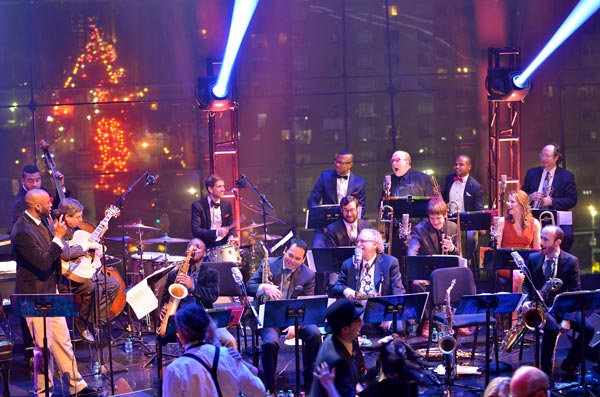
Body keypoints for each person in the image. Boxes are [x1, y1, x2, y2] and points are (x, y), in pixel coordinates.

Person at [11, 189, 101, 396]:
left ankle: (77, 386)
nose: (52, 204)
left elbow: (60, 250)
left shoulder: (42, 220)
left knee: (63, 340)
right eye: (48, 202)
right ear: (37, 206)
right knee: (43, 346)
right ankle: (43, 391)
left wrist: (78, 245)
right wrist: (58, 236)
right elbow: (43, 262)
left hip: (51, 291)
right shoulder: (22, 231)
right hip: (34, 296)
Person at [246, 239, 322, 392]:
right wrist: (264, 287)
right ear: (284, 250)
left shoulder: (308, 274)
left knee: (315, 334)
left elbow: (306, 304)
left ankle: (311, 382)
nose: (292, 261)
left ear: (304, 259)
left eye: (297, 258)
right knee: (270, 343)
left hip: (294, 316)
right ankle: (269, 386)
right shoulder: (269, 263)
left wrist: (297, 325)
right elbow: (248, 287)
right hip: (270, 315)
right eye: (290, 255)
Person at [521, 225, 594, 382]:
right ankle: (546, 373)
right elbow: (527, 284)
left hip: (564, 307)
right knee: (552, 328)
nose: (541, 242)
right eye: (541, 238)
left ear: (557, 242)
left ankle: (570, 363)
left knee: (589, 329)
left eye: (545, 239)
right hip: (541, 308)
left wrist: (566, 318)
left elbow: (575, 291)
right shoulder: (534, 258)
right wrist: (526, 300)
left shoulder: (571, 261)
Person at [162, 304, 265, 397]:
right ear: (207, 327)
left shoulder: (175, 370)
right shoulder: (227, 355)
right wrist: (240, 363)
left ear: (180, 333)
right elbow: (259, 391)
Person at [58, 198, 120, 345]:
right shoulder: (58, 229)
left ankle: (93, 320)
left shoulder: (76, 230)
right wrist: (85, 247)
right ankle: (83, 322)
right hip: (67, 277)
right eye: (78, 217)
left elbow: (87, 246)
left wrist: (100, 235)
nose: (81, 220)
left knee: (113, 285)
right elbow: (65, 254)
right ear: (67, 217)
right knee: (94, 288)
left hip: (85, 270)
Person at [160, 238, 236, 348]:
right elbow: (165, 299)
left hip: (205, 319)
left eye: (198, 247)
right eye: (190, 246)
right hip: (181, 319)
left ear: (204, 253)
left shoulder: (212, 273)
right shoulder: (173, 275)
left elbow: (212, 296)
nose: (193, 249)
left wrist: (193, 287)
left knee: (229, 341)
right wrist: (163, 310)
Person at [331, 228, 405, 332]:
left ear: (375, 244)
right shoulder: (349, 264)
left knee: (398, 327)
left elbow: (398, 291)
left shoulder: (390, 262)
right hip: (356, 308)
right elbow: (335, 287)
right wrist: (346, 290)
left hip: (381, 307)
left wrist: (390, 314)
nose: (359, 244)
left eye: (363, 241)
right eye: (358, 241)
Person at [522, 142, 577, 252]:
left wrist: (552, 202)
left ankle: (559, 263)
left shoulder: (566, 176)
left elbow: (572, 200)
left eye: (547, 155)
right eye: (541, 155)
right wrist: (530, 197)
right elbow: (521, 196)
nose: (543, 158)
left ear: (556, 157)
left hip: (556, 217)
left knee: (567, 236)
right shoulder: (531, 173)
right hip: (534, 216)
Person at [308, 151, 367, 248]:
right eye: (336, 161)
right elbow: (312, 199)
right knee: (317, 249)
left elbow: (361, 207)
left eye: (341, 162)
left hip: (347, 224)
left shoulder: (359, 183)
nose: (337, 164)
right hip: (325, 224)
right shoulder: (325, 177)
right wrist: (319, 220)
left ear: (350, 165)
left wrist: (354, 225)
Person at [310, 298, 366, 397]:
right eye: (357, 320)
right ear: (345, 329)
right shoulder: (338, 361)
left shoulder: (340, 341)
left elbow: (353, 383)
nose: (362, 323)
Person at [384, 150, 434, 260]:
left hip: (420, 230)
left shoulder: (423, 178)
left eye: (397, 160)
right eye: (392, 161)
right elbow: (383, 206)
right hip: (397, 230)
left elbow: (433, 204)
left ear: (407, 162)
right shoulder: (389, 180)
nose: (394, 164)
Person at [442, 154, 484, 262]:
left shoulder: (476, 186)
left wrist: (480, 226)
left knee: (471, 238)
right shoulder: (449, 179)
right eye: (455, 164)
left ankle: (466, 260)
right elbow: (445, 197)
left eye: (461, 165)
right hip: (450, 220)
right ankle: (447, 261)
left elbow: (479, 209)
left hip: (467, 223)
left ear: (469, 166)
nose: (457, 167)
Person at [499, 190, 541, 293]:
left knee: (522, 274)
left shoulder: (535, 223)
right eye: (508, 201)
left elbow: (538, 251)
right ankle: (516, 308)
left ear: (522, 205)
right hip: (507, 265)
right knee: (518, 276)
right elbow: (497, 249)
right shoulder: (502, 222)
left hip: (525, 264)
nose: (508, 204)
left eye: (512, 202)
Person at [191, 174, 236, 249]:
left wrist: (231, 236)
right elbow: (196, 230)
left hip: (223, 245)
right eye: (219, 186)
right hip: (205, 246)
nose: (223, 189)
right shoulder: (198, 206)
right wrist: (217, 232)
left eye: (223, 186)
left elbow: (230, 226)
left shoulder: (227, 205)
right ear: (210, 189)